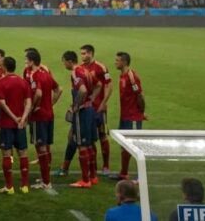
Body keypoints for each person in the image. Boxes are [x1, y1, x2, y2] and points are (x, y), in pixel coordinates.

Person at [0, 56, 32, 194]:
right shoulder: (23, 82)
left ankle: (9, 187)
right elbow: (28, 102)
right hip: (20, 125)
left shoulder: (1, 82)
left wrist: (14, 118)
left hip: (6, 123)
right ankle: (24, 186)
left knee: (6, 154)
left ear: (4, 67)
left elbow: (3, 104)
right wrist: (22, 118)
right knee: (22, 153)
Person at [62, 50, 98, 189]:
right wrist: (92, 99)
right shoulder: (86, 70)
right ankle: (93, 176)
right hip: (90, 109)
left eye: (64, 61)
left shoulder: (76, 72)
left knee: (81, 145)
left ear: (69, 61)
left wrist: (76, 106)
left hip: (82, 112)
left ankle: (85, 180)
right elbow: (98, 85)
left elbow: (82, 90)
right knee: (89, 144)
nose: (64, 64)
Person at [26, 49, 61, 191]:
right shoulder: (46, 74)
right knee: (45, 146)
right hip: (49, 115)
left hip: (39, 116)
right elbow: (59, 89)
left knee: (40, 147)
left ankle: (46, 182)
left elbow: (38, 93)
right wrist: (51, 104)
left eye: (26, 59)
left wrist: (33, 107)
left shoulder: (34, 75)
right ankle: (45, 177)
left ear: (32, 61)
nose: (25, 62)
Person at [81, 44, 113, 175]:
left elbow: (108, 85)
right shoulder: (81, 68)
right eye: (81, 53)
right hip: (88, 109)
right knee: (90, 137)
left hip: (99, 107)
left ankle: (106, 166)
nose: (82, 56)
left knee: (102, 135)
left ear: (90, 53)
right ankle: (92, 167)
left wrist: (104, 103)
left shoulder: (101, 67)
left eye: (84, 53)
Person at [114, 51, 146, 181]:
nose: (115, 62)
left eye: (117, 60)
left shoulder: (131, 76)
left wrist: (141, 113)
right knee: (124, 145)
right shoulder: (122, 76)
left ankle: (141, 177)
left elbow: (139, 95)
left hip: (132, 117)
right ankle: (124, 173)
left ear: (124, 62)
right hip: (125, 116)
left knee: (135, 146)